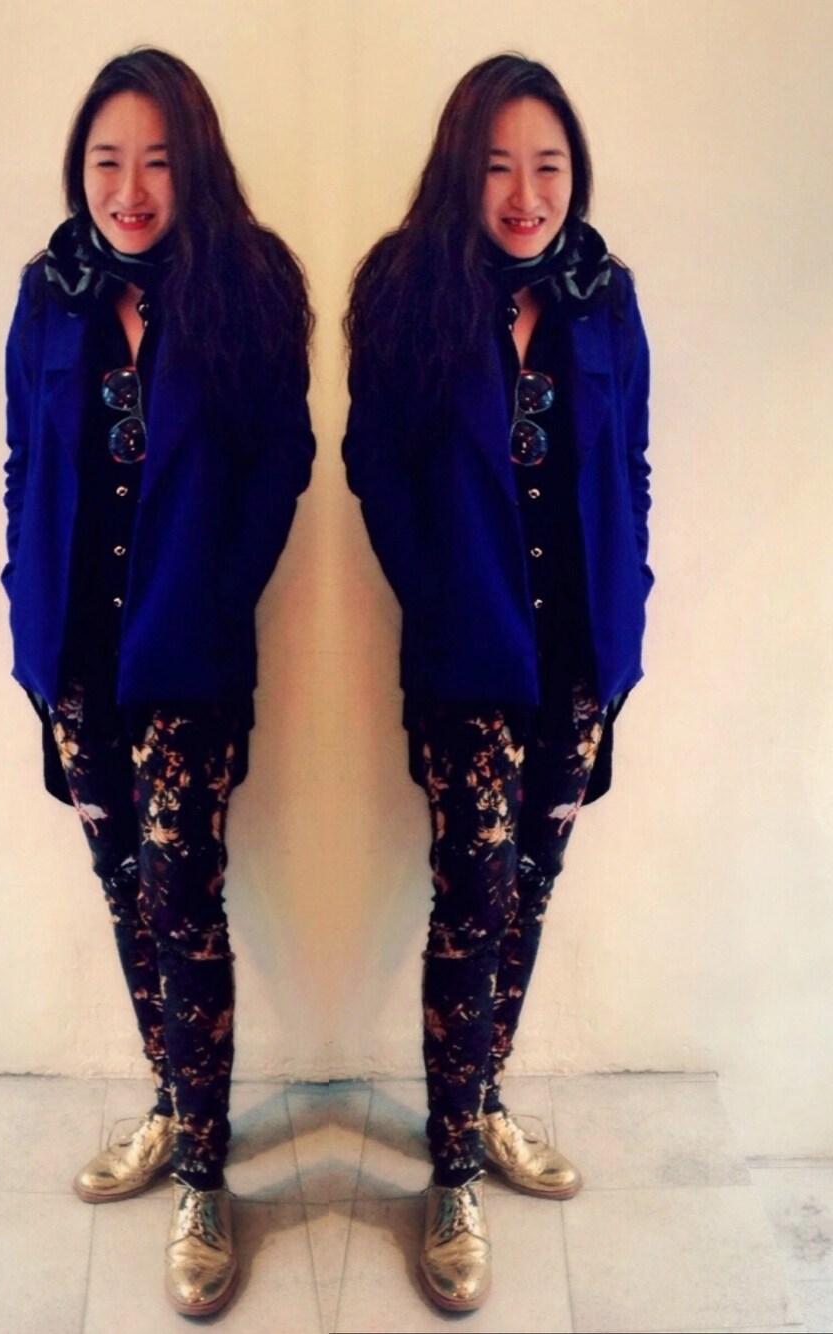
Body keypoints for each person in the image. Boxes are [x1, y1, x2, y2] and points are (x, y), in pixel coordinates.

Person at [2, 48, 313, 1317]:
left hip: (188, 659)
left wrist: (216, 592)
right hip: (77, 659)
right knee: (126, 894)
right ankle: (174, 1100)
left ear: (197, 168)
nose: (128, 188)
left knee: (185, 907)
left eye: (157, 162)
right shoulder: (50, 293)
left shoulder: (249, 283)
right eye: (106, 161)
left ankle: (203, 1175)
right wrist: (26, 597)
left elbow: (282, 461)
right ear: (79, 169)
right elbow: (24, 460)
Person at [343, 53, 652, 1312]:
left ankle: (480, 1097)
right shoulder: (406, 288)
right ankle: (452, 1170)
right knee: (470, 906)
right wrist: (440, 593)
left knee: (528, 892)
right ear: (458, 172)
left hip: (577, 659)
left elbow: (628, 462)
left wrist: (628, 598)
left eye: (548, 167)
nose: (526, 193)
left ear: (574, 174)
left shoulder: (604, 297)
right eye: (498, 167)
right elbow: (373, 465)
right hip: (467, 660)